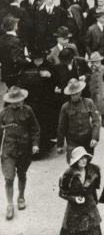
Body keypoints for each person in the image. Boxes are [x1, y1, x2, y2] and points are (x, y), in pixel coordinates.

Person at [0, 86, 40, 221]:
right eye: (16, 101)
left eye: (20, 100)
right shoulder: (3, 114)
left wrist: (35, 144)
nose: (19, 103)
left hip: (24, 149)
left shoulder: (28, 111)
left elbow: (35, 129)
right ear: (10, 101)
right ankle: (10, 205)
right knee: (9, 178)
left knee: (22, 174)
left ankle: (21, 197)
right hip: (8, 150)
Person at [58, 146, 102, 235]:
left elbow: (94, 189)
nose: (83, 160)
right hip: (74, 210)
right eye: (80, 158)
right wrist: (74, 199)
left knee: (93, 230)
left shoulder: (93, 170)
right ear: (75, 161)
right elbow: (62, 193)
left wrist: (94, 202)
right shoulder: (68, 174)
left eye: (85, 157)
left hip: (90, 208)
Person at [56, 78, 100, 159]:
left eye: (76, 93)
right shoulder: (65, 107)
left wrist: (94, 138)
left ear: (80, 92)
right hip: (73, 141)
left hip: (87, 139)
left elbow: (96, 121)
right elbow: (61, 127)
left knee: (87, 162)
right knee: (75, 163)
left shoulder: (89, 103)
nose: (74, 96)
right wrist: (60, 144)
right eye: (72, 94)